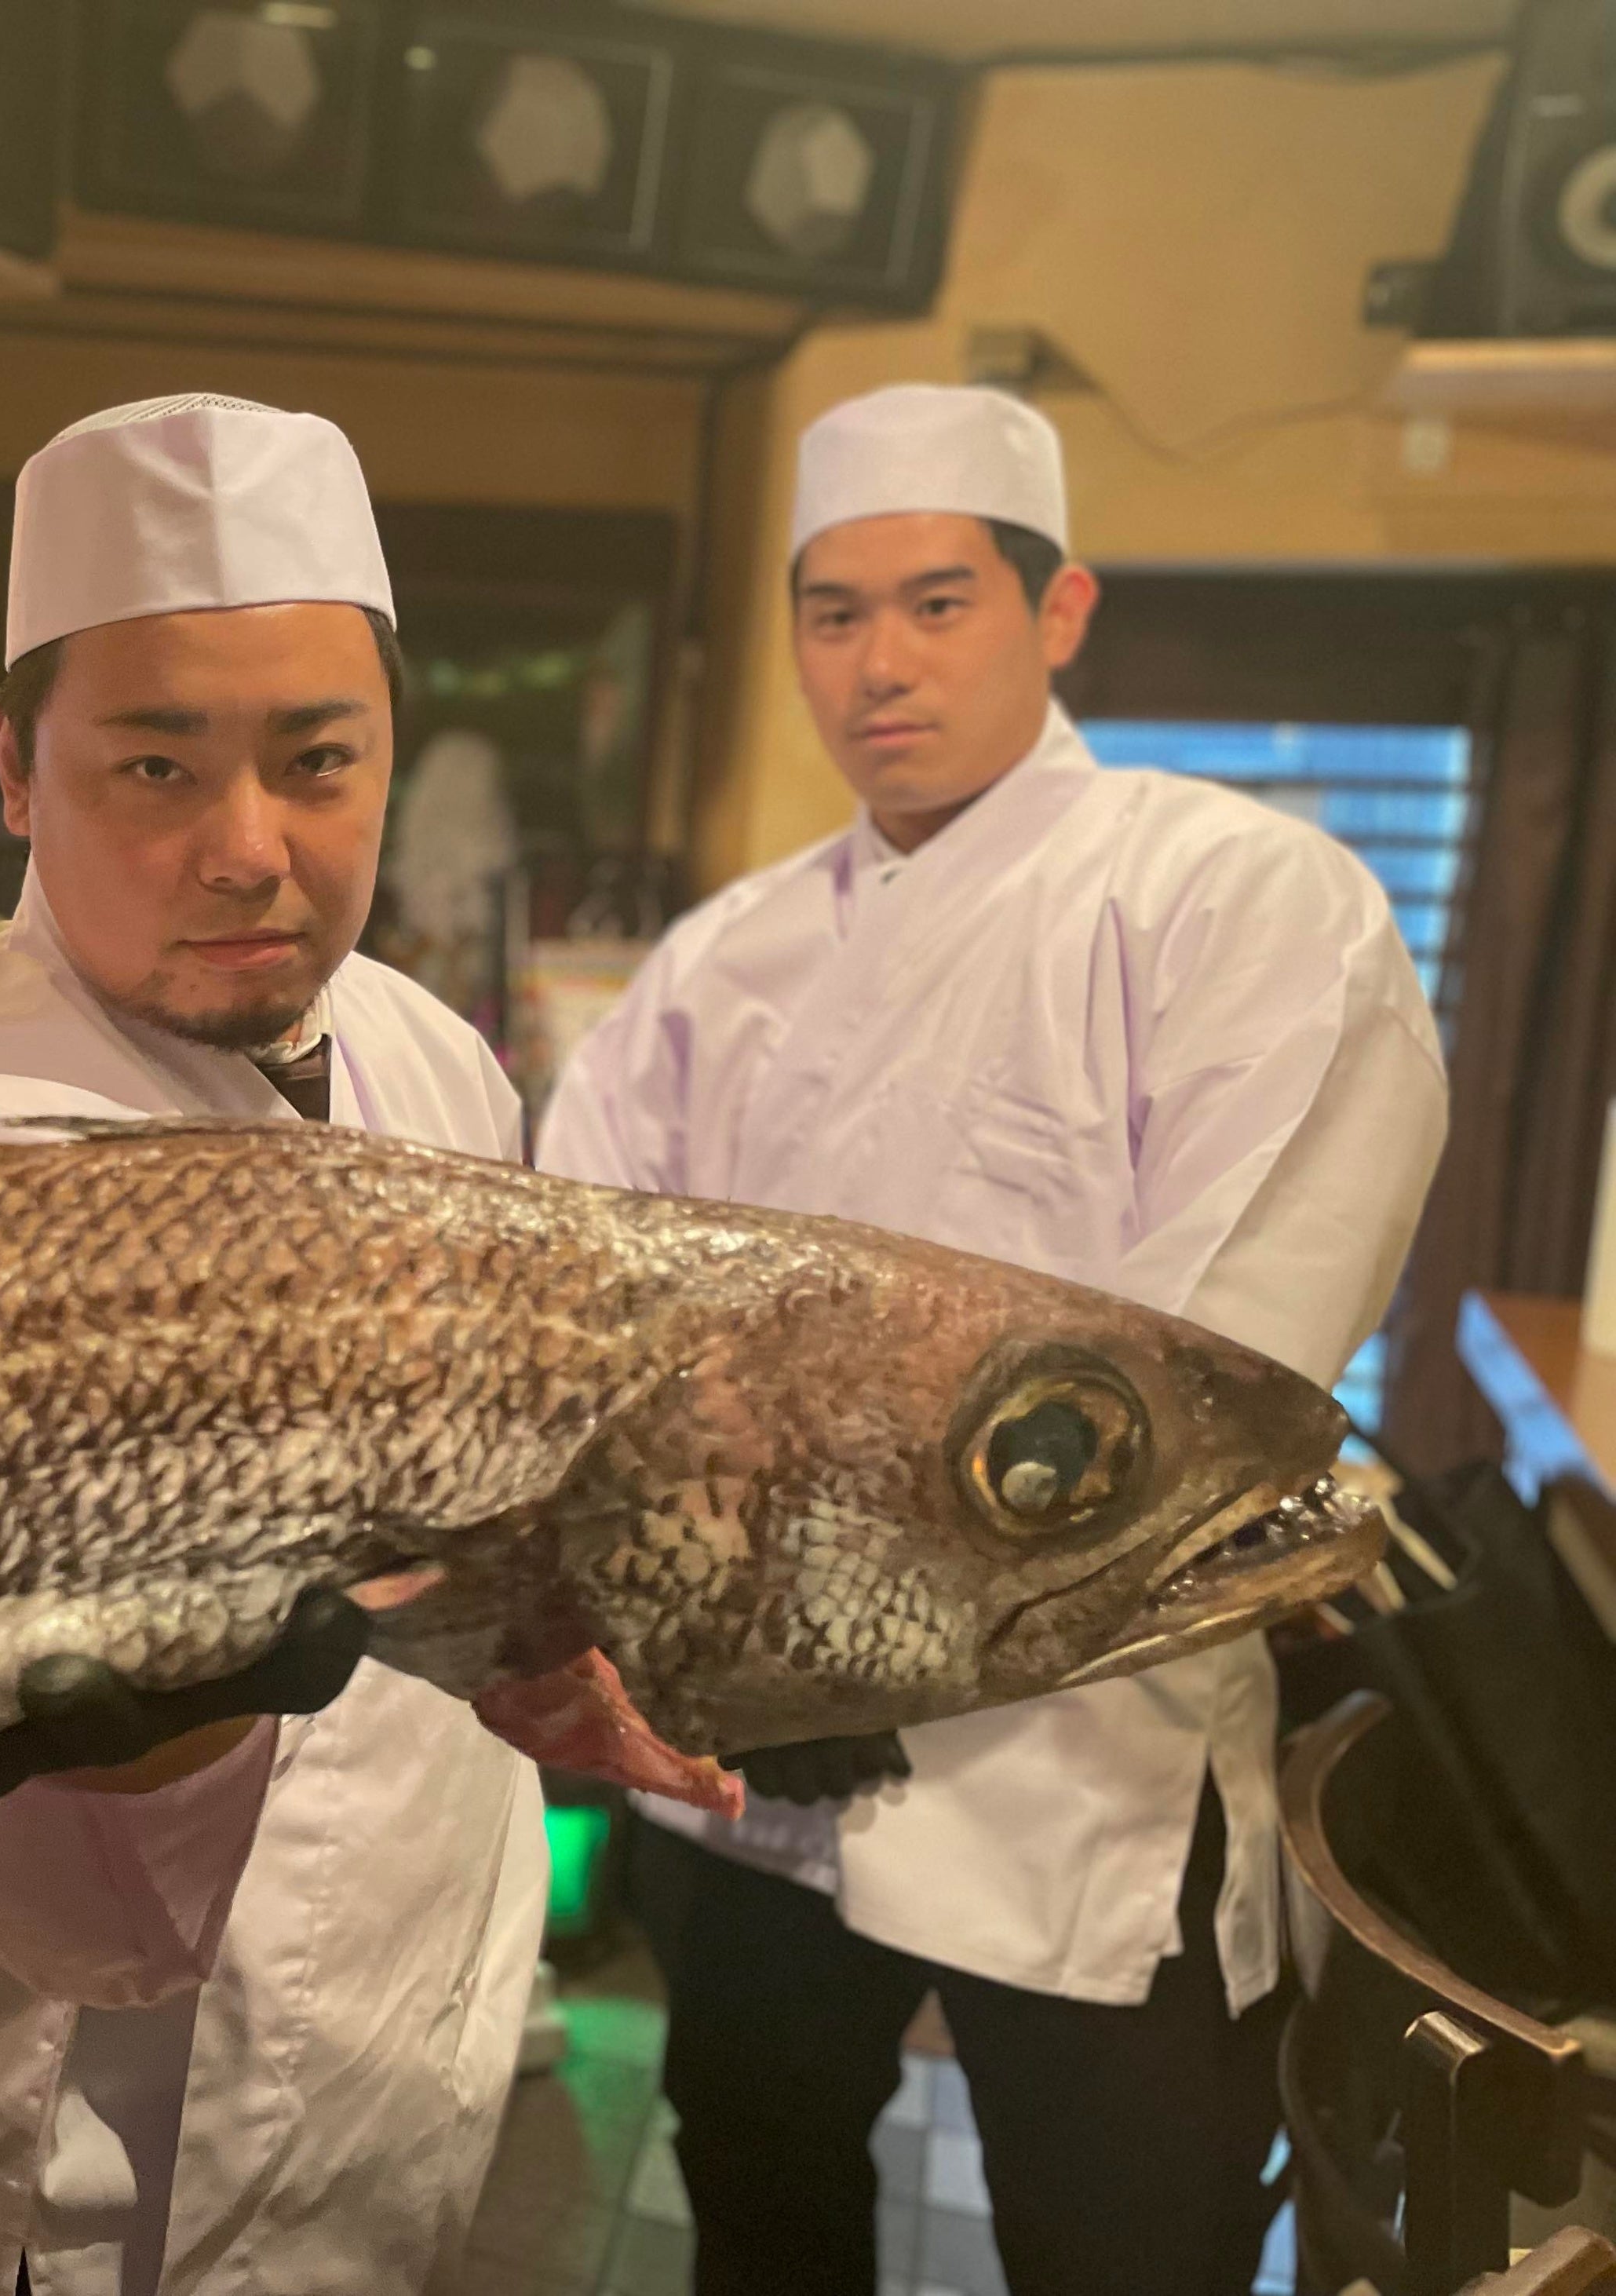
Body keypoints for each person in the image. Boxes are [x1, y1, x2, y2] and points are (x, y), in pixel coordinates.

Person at [537, 383, 1450, 2296]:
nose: (879, 663)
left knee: (1127, 2239)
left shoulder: (1241, 900)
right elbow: (590, 1304)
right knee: (761, 2186)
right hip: (754, 1757)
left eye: (939, 602)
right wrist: (755, 1641)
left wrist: (875, 1608)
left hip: (1077, 1742)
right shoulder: (729, 958)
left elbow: (1205, 1376)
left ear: (1062, 610)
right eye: (834, 610)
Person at [0, 394, 549, 2296]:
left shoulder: (436, 1059)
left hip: (390, 2045)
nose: (248, 850)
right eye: (153, 767)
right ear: (17, 767)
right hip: (60, 2150)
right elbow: (76, 1816)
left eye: (318, 758)